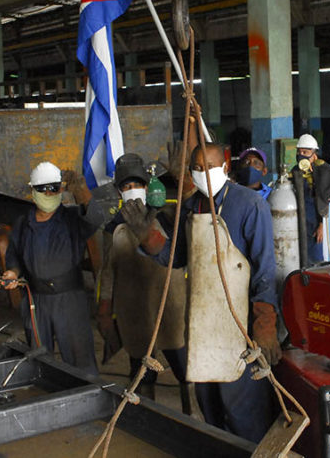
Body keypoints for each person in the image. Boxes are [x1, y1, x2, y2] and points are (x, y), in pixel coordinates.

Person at [122, 143, 280, 443]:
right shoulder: (192, 207)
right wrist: (148, 237)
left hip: (240, 327)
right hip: (203, 323)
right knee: (211, 408)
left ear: (225, 166)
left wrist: (265, 321)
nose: (203, 173)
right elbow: (177, 256)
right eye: (196, 168)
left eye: (209, 166)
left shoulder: (249, 204)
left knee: (242, 411)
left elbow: (265, 268)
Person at [97, 154, 189, 408]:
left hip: (169, 308)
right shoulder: (114, 227)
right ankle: (147, 415)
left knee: (185, 371)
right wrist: (104, 309)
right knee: (141, 372)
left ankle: (190, 415)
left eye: (137, 184)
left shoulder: (166, 217)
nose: (132, 190)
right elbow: (108, 271)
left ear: (147, 187)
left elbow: (181, 253)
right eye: (126, 186)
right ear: (119, 191)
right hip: (135, 312)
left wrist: (183, 182)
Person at [3, 162, 104, 377]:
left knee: (80, 361)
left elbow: (95, 218)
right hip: (36, 300)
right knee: (39, 361)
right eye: (43, 189)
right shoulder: (23, 223)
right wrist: (12, 272)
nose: (49, 194)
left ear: (61, 190)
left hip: (69, 300)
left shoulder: (73, 219)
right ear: (33, 192)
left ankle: (85, 393)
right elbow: (14, 255)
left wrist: (82, 192)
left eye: (54, 189)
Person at [293, 134, 330, 264]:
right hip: (297, 220)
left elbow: (324, 200)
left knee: (314, 258)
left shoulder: (323, 172)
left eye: (305, 152)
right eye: (299, 152)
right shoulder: (295, 171)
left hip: (314, 221)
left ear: (314, 154)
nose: (301, 155)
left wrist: (321, 225)